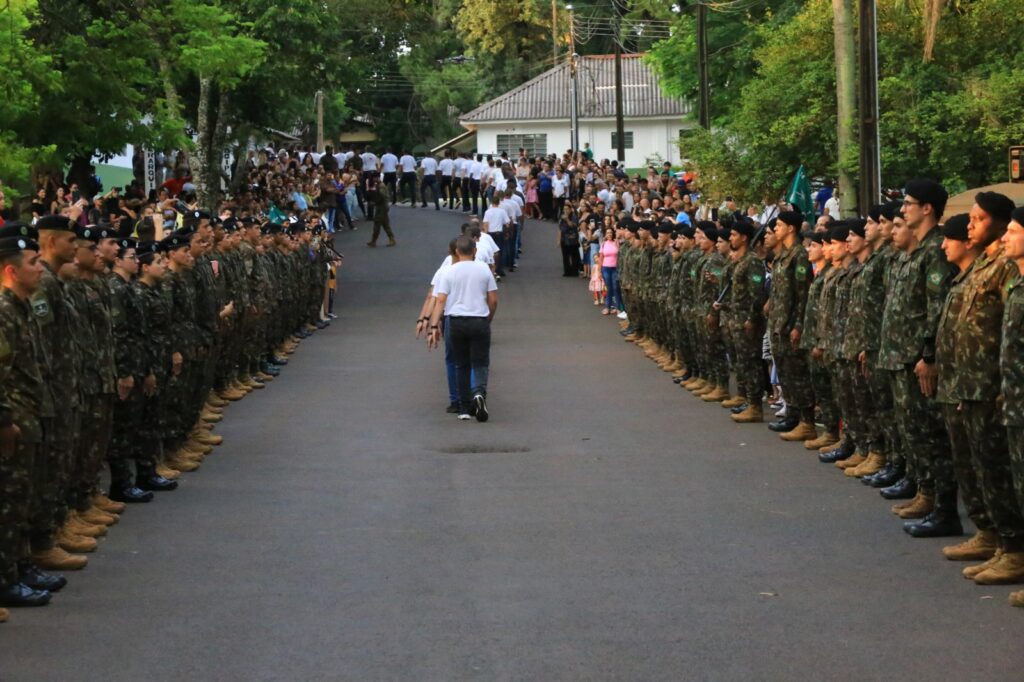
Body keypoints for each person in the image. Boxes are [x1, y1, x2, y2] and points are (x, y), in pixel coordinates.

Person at [427, 236, 498, 422]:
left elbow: (440, 300)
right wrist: (488, 317)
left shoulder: (449, 271)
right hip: (479, 319)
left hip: (456, 320)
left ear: (457, 252)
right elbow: (493, 299)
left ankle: (464, 407)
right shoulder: (483, 269)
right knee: (480, 362)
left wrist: (433, 325)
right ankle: (479, 393)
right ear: (474, 251)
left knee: (461, 363)